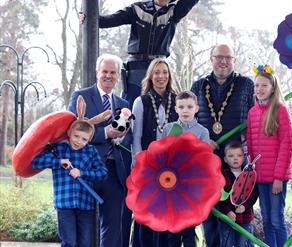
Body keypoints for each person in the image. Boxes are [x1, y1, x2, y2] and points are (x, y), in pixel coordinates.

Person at [190, 44, 254, 247]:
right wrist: (201, 141)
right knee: (209, 210)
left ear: (234, 60)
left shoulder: (246, 84)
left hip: (236, 160)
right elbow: (190, 121)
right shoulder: (198, 86)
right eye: (219, 57)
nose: (223, 62)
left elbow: (254, 119)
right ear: (211, 59)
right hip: (207, 159)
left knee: (238, 212)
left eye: (228, 57)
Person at [79, 0, 199, 108]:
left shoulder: (174, 12)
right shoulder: (137, 9)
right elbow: (109, 20)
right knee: (129, 105)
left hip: (159, 67)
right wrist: (87, 17)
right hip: (136, 68)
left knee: (164, 106)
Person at [68, 54, 132, 247]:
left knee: (113, 227)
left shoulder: (123, 104)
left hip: (115, 172)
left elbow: (127, 137)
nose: (108, 76)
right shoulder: (81, 96)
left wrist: (121, 136)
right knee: (85, 224)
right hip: (86, 170)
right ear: (97, 73)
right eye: (105, 71)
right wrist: (105, 133)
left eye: (113, 72)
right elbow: (73, 130)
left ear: (118, 77)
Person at [32, 116, 108, 247]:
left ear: (89, 140)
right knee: (69, 242)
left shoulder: (90, 151)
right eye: (76, 136)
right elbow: (36, 162)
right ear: (69, 133)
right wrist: (58, 161)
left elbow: (103, 173)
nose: (79, 141)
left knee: (85, 243)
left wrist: (82, 173)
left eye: (84, 139)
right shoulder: (58, 149)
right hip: (64, 204)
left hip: (85, 205)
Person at [131, 58, 178, 247]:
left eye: (165, 72)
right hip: (148, 168)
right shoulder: (140, 102)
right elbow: (136, 138)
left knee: (167, 213)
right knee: (147, 214)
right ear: (151, 76)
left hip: (171, 169)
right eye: (157, 72)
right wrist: (141, 166)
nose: (161, 76)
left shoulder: (177, 100)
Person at [246, 64, 292, 247]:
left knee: (276, 219)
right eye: (257, 86)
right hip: (260, 176)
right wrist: (252, 171)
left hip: (275, 177)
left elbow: (286, 145)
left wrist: (279, 178)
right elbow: (250, 143)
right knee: (265, 219)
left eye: (264, 85)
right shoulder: (252, 113)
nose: (259, 89)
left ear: (272, 87)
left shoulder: (280, 110)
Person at [158, 90, 209, 247]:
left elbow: (205, 159)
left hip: (190, 188)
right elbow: (159, 154)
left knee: (188, 229)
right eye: (181, 106)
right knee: (172, 230)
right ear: (176, 109)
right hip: (170, 186)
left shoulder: (202, 132)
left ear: (196, 108)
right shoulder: (167, 129)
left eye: (189, 106)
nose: (185, 110)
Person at [217, 141, 258, 247]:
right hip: (227, 218)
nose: (235, 158)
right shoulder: (222, 175)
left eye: (239, 155)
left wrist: (245, 206)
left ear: (243, 158)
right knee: (227, 243)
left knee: (243, 244)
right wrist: (228, 211)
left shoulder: (249, 175)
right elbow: (219, 196)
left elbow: (253, 194)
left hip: (245, 217)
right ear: (225, 159)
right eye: (231, 156)